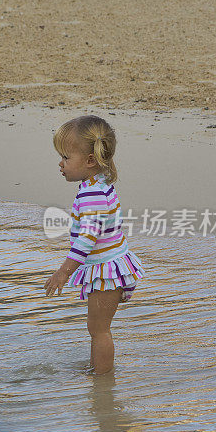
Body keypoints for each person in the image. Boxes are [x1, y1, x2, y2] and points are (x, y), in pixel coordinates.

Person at [43, 115, 145, 374]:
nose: (60, 163)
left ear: (89, 161)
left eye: (66, 157)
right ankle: (95, 371)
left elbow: (87, 240)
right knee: (96, 328)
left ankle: (103, 386)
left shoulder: (92, 194)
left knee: (99, 330)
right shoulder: (95, 185)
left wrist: (63, 272)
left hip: (107, 272)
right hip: (110, 266)